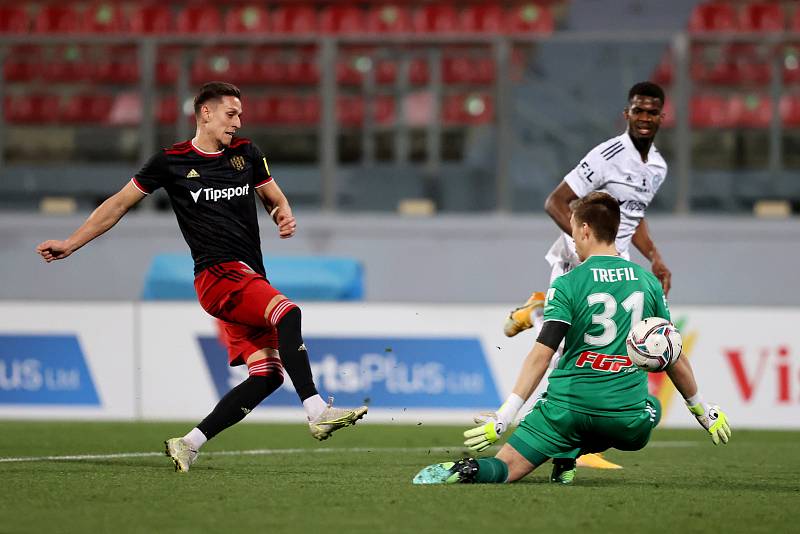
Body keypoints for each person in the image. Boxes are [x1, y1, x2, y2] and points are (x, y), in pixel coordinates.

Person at [36, 81, 368, 472]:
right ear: (205, 113)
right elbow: (118, 204)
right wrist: (72, 243)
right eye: (231, 114)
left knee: (268, 376)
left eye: (241, 115)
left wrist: (283, 213)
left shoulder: (247, 154)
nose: (238, 122)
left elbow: (274, 197)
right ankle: (315, 410)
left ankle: (189, 443)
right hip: (216, 275)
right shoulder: (170, 161)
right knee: (288, 313)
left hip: (246, 276)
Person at [413, 192, 730, 485]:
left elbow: (542, 355)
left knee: (506, 468)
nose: (574, 240)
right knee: (652, 408)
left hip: (566, 411)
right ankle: (571, 452)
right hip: (627, 418)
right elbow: (671, 353)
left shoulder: (567, 284)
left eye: (574, 231)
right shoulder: (648, 283)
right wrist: (702, 410)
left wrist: (503, 417)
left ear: (586, 230)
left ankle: (464, 470)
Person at [502, 81, 672, 470]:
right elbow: (556, 201)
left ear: (661, 117)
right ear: (626, 114)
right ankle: (563, 449)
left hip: (619, 259)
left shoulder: (657, 168)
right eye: (638, 110)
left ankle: (535, 312)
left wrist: (655, 258)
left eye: (651, 112)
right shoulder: (607, 154)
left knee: (610, 345)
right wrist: (585, 247)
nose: (644, 118)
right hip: (581, 253)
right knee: (566, 348)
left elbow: (634, 215)